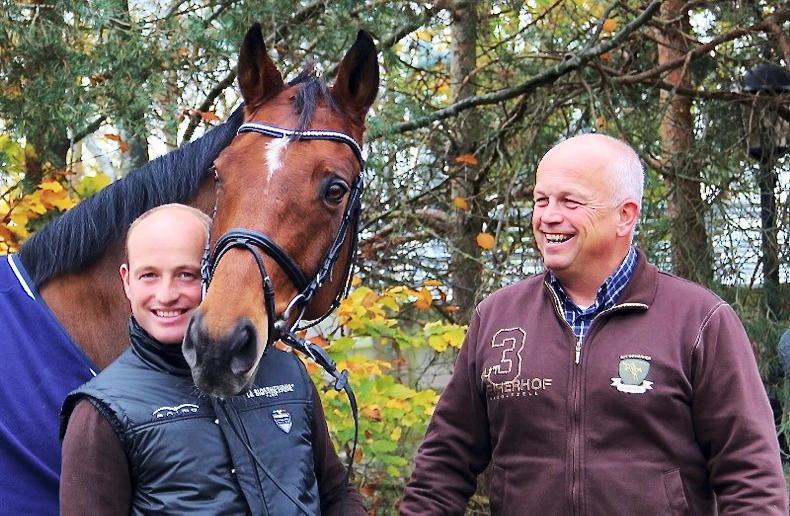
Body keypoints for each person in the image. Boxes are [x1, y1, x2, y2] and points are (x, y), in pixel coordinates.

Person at [401, 134, 788, 514]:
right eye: (541, 200)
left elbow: (751, 479)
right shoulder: (497, 318)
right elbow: (443, 465)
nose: (548, 216)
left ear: (625, 215)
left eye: (570, 201)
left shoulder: (699, 321)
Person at [60, 203, 365, 515]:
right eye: (149, 275)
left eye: (186, 275)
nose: (166, 294)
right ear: (127, 281)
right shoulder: (100, 414)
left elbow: (337, 493)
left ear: (218, 272)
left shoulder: (286, 374)